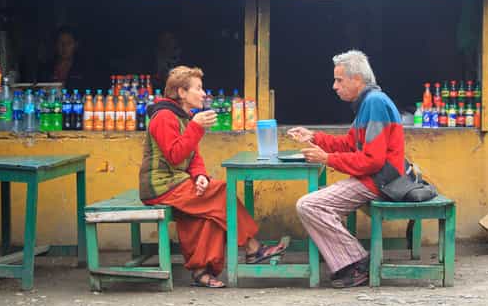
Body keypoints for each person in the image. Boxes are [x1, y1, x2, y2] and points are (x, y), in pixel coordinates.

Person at [140, 65, 289, 288]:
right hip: (160, 185)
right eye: (198, 89)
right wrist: (196, 127)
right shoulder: (164, 117)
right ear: (181, 93)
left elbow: (193, 156)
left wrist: (200, 175)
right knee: (220, 192)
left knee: (208, 213)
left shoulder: (184, 116)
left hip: (178, 181)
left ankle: (202, 271)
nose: (204, 94)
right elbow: (174, 155)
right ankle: (252, 248)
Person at [288, 50, 405, 288]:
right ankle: (347, 259)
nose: (334, 86)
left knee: (309, 205)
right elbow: (349, 144)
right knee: (315, 203)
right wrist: (314, 136)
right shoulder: (367, 103)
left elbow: (372, 160)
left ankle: (357, 262)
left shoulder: (374, 103)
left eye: (339, 80)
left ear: (357, 80)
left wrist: (327, 159)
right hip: (372, 177)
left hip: (380, 180)